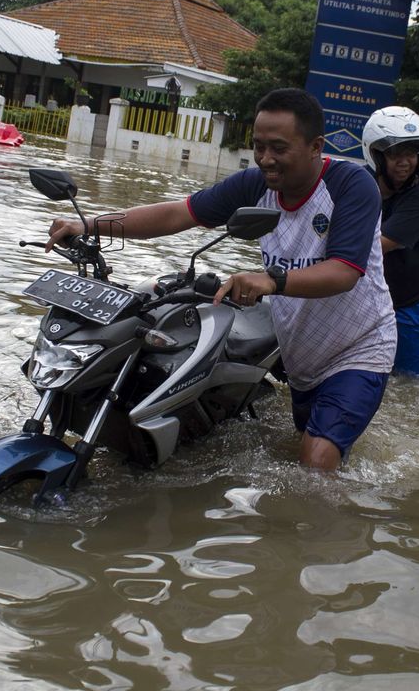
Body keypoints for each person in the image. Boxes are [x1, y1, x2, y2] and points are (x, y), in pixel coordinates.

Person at [46, 88, 396, 470]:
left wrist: (270, 280)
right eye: (258, 146)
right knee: (309, 446)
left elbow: (344, 272)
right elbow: (178, 214)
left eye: (279, 147)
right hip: (302, 351)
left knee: (315, 461)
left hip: (359, 347)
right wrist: (89, 224)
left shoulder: (351, 186)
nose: (266, 159)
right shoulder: (255, 184)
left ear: (315, 146)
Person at [361, 106, 419, 379]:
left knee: (406, 380)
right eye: (396, 153)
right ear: (376, 155)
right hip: (371, 294)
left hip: (415, 298)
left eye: (411, 153)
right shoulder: (357, 184)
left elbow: (379, 244)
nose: (405, 162)